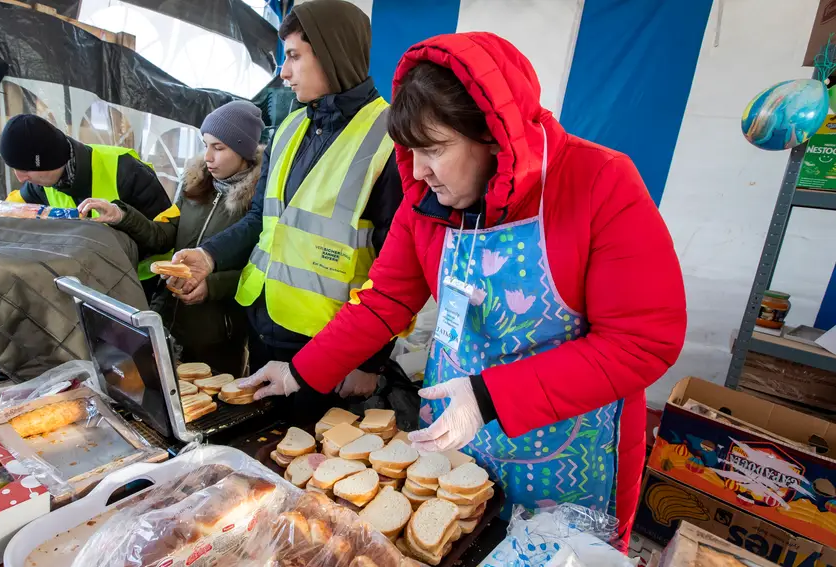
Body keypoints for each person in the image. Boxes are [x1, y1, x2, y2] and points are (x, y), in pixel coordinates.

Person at [237, 33, 687, 545]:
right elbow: (384, 302)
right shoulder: (426, 200)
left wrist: (490, 396)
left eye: (435, 149)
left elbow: (643, 341)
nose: (419, 169)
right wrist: (301, 370)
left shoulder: (599, 182)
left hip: (566, 453)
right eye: (412, 151)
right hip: (454, 441)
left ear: (494, 136)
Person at [170, 0, 404, 396]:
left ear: (333, 53)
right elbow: (261, 218)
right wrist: (209, 256)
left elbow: (394, 270)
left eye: (294, 56)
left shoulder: (389, 139)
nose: (284, 72)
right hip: (262, 324)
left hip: (329, 342)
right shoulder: (291, 127)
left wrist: (370, 361)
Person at [78, 101, 266, 377]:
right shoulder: (194, 186)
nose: (208, 157)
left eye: (219, 147)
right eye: (205, 145)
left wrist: (210, 287)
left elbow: (260, 270)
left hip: (217, 336)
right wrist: (121, 214)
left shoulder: (258, 207)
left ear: (244, 151)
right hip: (169, 319)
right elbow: (161, 235)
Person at [0, 114, 177, 287]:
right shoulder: (38, 185)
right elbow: (8, 211)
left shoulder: (127, 170)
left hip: (143, 282)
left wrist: (122, 219)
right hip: (85, 282)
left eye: (25, 169)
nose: (20, 178)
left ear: (48, 161)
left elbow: (164, 238)